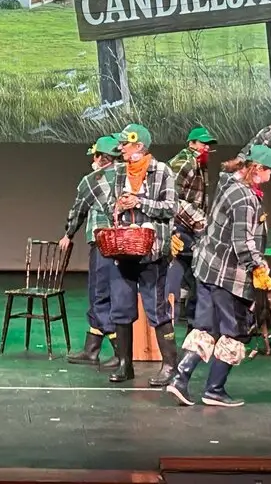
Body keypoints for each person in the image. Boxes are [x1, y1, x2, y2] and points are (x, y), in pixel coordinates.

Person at [166, 114, 271, 407]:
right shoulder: (246, 199)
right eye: (269, 172)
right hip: (228, 276)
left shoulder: (227, 181)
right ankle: (214, 390)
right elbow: (242, 242)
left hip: (206, 270)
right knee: (233, 332)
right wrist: (259, 268)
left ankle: (180, 379)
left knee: (205, 327)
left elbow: (246, 152)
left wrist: (269, 131)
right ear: (256, 170)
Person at [105, 123, 177, 385]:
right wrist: (117, 204)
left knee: (157, 309)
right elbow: (108, 206)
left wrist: (140, 202)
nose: (121, 149)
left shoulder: (162, 171)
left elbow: (170, 208)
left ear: (139, 145)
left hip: (152, 253)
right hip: (124, 250)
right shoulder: (119, 172)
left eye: (125, 144)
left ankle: (170, 366)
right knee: (121, 308)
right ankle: (126, 364)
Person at [60, 135, 123, 368]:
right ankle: (92, 349)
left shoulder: (92, 180)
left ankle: (120, 351)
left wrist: (68, 234)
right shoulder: (128, 174)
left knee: (99, 294)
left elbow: (78, 211)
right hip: (127, 245)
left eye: (94, 156)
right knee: (112, 294)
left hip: (103, 244)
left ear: (99, 157)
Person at [166, 126, 218, 336]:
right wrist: (199, 220)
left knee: (196, 277)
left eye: (208, 144)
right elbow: (171, 198)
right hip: (179, 228)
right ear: (191, 144)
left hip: (191, 229)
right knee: (179, 279)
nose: (206, 147)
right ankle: (172, 330)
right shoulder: (184, 162)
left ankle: (193, 331)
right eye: (203, 143)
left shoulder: (199, 164)